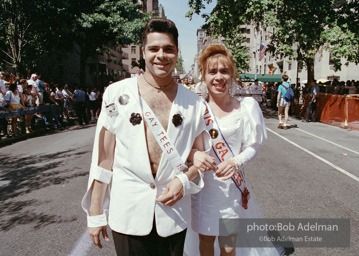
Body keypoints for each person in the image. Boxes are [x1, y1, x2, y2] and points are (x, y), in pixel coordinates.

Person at [81, 18, 208, 256]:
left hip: (173, 215)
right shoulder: (116, 93)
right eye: (154, 49)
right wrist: (95, 212)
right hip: (128, 211)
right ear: (143, 52)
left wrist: (182, 180)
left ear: (177, 52)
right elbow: (103, 159)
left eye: (168, 49)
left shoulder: (195, 103)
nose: (161, 55)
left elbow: (199, 161)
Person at [186, 43, 282, 256]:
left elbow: (253, 145)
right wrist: (194, 154)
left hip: (231, 191)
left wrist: (236, 162)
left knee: (229, 247)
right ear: (204, 75)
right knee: (205, 242)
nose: (218, 77)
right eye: (212, 71)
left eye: (224, 71)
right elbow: (183, 148)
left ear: (232, 75)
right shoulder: (195, 109)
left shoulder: (246, 107)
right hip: (203, 190)